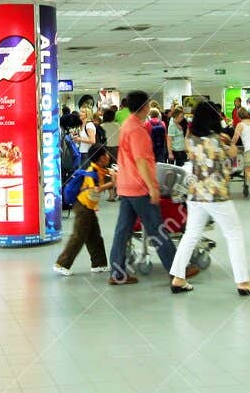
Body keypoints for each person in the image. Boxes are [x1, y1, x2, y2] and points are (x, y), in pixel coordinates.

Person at [170, 101, 250, 296]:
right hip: (216, 195)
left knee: (190, 235)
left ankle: (178, 278)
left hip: (195, 193)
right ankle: (243, 282)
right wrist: (227, 138)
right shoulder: (218, 140)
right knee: (234, 234)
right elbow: (232, 154)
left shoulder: (191, 139)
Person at [107, 91, 194, 286]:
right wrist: (152, 188)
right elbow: (141, 161)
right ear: (145, 106)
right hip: (139, 188)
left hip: (125, 185)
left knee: (123, 231)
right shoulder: (137, 130)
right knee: (157, 229)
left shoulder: (127, 125)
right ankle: (177, 270)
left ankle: (117, 273)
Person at [53, 144, 113, 276]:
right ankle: (61, 264)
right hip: (83, 207)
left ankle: (99, 264)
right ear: (101, 158)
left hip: (89, 207)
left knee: (95, 236)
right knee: (79, 236)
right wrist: (113, 183)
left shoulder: (100, 169)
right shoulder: (92, 172)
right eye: (106, 154)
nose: (108, 156)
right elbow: (94, 191)